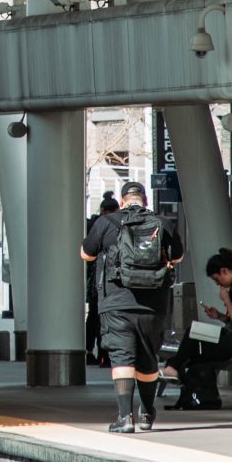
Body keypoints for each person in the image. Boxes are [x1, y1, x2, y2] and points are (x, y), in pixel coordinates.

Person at [82, 179, 182, 433]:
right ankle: (147, 412)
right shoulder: (162, 223)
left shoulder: (107, 223)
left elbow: (86, 254)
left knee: (122, 357)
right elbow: (178, 256)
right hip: (154, 304)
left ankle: (125, 417)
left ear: (123, 200)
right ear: (145, 200)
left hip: (116, 302)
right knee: (148, 358)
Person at [167, 250, 232, 409]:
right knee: (193, 334)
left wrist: (226, 299)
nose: (220, 285)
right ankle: (188, 389)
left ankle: (173, 367)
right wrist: (219, 316)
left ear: (224, 271)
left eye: (218, 280)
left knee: (193, 338)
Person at [84, 191, 118, 363]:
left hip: (96, 278)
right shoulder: (121, 224)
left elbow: (87, 251)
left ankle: (89, 351)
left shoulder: (96, 224)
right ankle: (104, 352)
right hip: (114, 280)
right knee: (108, 317)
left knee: (94, 316)